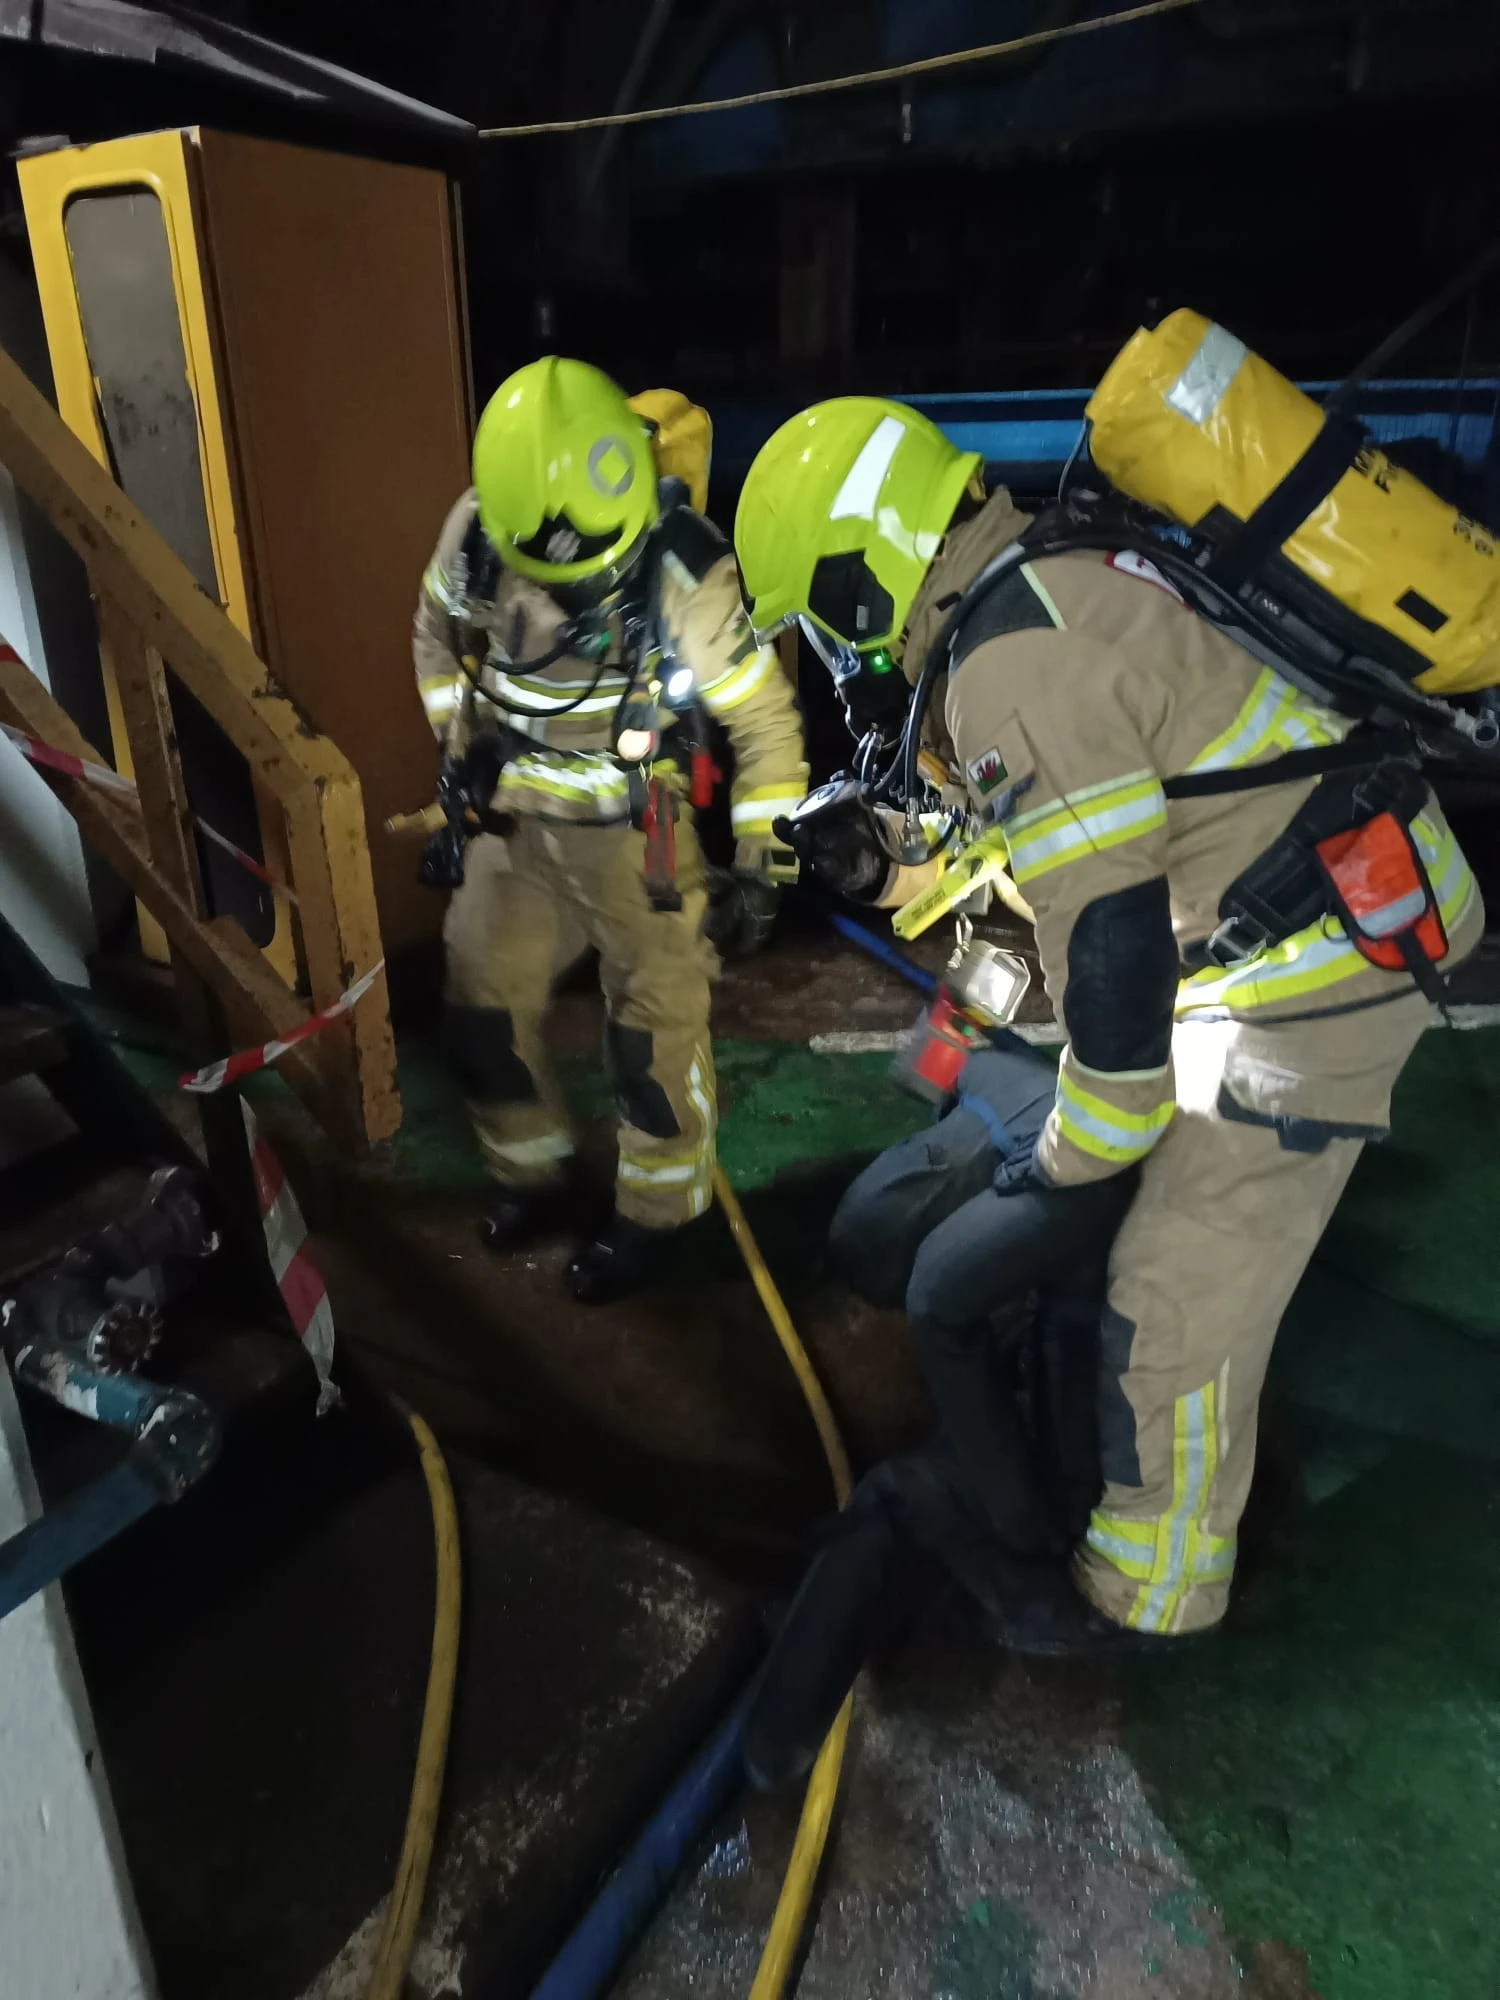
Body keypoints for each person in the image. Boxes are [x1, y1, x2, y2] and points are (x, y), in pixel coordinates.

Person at [733, 394, 1482, 1645]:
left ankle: (1146, 1589)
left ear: (857, 578)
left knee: (1174, 1295)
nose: (835, 654)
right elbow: (1029, 842)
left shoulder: (1012, 660)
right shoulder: (1035, 586)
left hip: (1317, 969)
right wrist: (885, 856)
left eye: (820, 621)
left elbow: (1113, 949)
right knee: (1096, 1155)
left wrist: (1071, 1159)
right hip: (1271, 914)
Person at [415, 359, 807, 1303]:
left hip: (640, 830)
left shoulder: (683, 571)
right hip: (517, 825)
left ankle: (656, 1219)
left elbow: (762, 720)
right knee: (479, 1001)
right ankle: (532, 1176)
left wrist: (767, 863)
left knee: (652, 1032)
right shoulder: (480, 530)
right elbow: (434, 636)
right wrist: (462, 747)